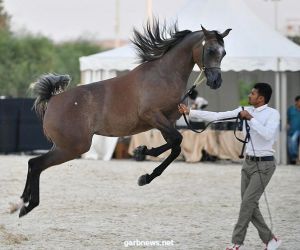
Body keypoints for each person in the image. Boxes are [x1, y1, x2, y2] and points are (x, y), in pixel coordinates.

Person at [178, 83, 282, 250]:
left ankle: (236, 244)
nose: (249, 95)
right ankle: (270, 240)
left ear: (261, 98)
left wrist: (250, 119)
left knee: (248, 203)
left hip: (265, 164)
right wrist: (190, 112)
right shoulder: (244, 109)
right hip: (248, 162)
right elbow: (217, 116)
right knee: (249, 204)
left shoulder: (272, 114)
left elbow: (268, 134)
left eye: (253, 93)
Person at [287, 95, 300, 164]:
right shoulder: (291, 109)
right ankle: (294, 159)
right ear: (296, 102)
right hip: (293, 131)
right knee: (292, 143)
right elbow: (287, 119)